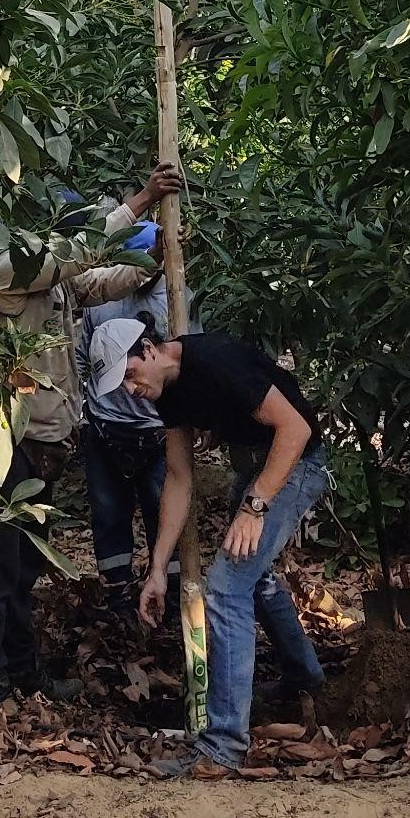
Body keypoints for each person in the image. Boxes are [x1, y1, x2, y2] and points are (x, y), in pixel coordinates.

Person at [0, 164, 180, 700]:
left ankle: (20, 671)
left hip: (41, 446)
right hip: (3, 441)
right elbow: (81, 253)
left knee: (26, 563)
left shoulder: (57, 283)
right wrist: (142, 200)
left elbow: (101, 279)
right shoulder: (13, 271)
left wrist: (149, 262)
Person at [86, 321, 328, 776]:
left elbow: (294, 429)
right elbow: (179, 478)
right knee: (253, 577)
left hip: (296, 462)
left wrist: (254, 507)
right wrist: (157, 568)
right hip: (258, 464)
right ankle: (305, 680)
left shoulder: (217, 362)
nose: (130, 389)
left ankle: (222, 747)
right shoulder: (169, 394)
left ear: (150, 348)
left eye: (131, 374)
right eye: (120, 384)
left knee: (226, 587)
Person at [74, 237, 192, 619]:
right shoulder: (104, 294)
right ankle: (119, 597)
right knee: (109, 515)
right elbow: (80, 354)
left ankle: (170, 598)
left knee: (165, 511)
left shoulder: (176, 297)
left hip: (159, 430)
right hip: (106, 428)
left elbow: (190, 355)